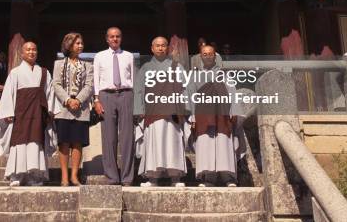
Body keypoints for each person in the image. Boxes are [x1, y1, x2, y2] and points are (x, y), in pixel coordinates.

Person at [0, 42, 55, 186]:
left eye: (34, 49)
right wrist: (8, 111)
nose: (31, 52)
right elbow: (8, 94)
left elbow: (49, 93)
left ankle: (35, 176)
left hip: (38, 113)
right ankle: (17, 175)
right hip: (20, 113)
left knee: (35, 142)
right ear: (22, 53)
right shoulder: (15, 73)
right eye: (28, 49)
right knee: (19, 142)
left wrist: (50, 110)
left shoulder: (44, 72)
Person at [134, 36, 188, 187]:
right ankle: (153, 178)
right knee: (154, 142)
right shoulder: (145, 68)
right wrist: (140, 110)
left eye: (163, 45)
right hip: (153, 111)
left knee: (173, 142)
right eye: (157, 46)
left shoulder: (177, 66)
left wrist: (184, 108)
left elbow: (185, 88)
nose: (160, 48)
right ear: (152, 48)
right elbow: (139, 91)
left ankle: (175, 177)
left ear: (167, 48)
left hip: (172, 110)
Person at [187, 45, 239, 187]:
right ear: (201, 57)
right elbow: (190, 96)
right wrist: (192, 117)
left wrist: (234, 111)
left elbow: (232, 94)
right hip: (203, 114)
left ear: (215, 56)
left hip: (222, 114)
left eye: (210, 54)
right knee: (205, 143)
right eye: (205, 54)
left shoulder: (224, 75)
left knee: (223, 142)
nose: (208, 56)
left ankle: (227, 177)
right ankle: (208, 177)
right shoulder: (195, 75)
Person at [93, 27, 135, 186]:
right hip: (106, 96)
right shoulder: (100, 56)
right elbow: (96, 78)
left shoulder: (129, 56)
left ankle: (127, 177)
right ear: (107, 39)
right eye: (112, 37)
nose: (115, 39)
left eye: (118, 36)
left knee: (127, 138)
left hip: (126, 94)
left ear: (121, 38)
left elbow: (134, 78)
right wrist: (96, 100)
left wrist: (136, 102)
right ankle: (111, 177)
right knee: (109, 138)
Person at [51, 32, 93, 186]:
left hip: (81, 109)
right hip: (64, 108)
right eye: (77, 43)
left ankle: (74, 176)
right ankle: (64, 176)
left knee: (78, 142)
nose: (80, 46)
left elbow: (89, 85)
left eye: (81, 43)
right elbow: (56, 84)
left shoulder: (88, 65)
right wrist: (68, 100)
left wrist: (79, 100)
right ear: (69, 45)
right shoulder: (59, 64)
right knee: (64, 142)